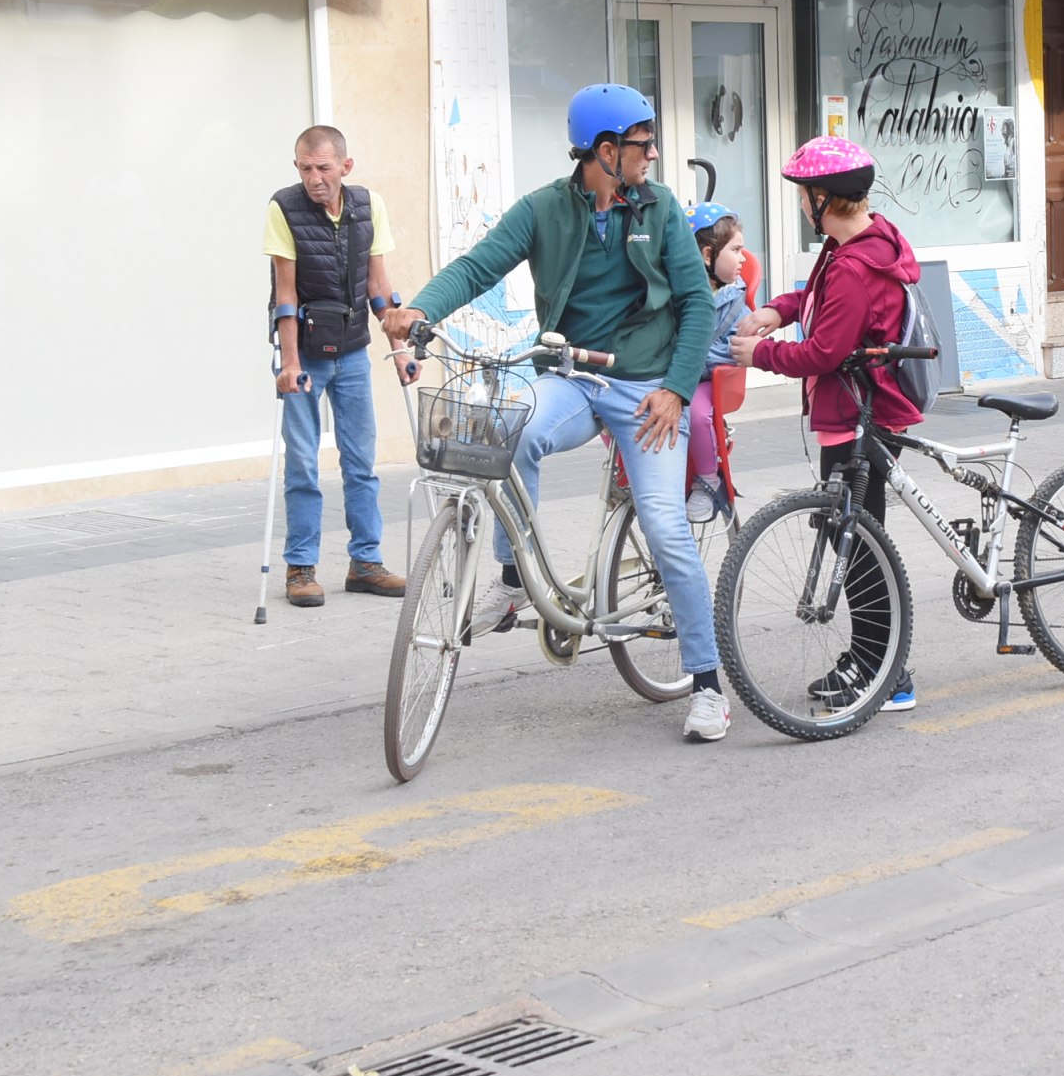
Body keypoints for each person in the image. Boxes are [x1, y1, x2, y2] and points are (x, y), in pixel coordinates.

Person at [383, 84, 730, 743]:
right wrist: (422, 308)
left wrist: (678, 389)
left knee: (663, 525)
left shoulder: (660, 213)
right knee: (512, 431)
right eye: (642, 143)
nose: (652, 154)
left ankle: (709, 683)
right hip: (571, 378)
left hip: (647, 390)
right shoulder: (544, 209)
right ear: (605, 151)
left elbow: (697, 304)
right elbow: (478, 266)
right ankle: (515, 580)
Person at [730, 136, 923, 715]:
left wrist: (757, 356)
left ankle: (884, 671)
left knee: (858, 547)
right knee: (855, 540)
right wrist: (778, 310)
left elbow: (821, 353)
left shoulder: (854, 268)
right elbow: (818, 300)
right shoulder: (856, 244)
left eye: (801, 196)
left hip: (859, 419)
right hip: (855, 414)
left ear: (822, 198)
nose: (798, 205)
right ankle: (874, 660)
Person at [264, 124, 407, 608]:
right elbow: (285, 294)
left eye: (323, 168)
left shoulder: (369, 206)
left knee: (361, 463)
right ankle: (300, 568)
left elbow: (379, 288)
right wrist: (288, 364)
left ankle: (365, 563)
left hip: (351, 353)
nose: (313, 178)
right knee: (303, 463)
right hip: (303, 354)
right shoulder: (283, 208)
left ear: (345, 167)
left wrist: (402, 350)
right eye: (305, 168)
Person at [685, 201, 751, 525]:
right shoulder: (679, 293)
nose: (743, 258)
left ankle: (708, 479)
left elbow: (738, 348)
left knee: (697, 414)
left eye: (741, 249)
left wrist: (695, 356)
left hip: (712, 381)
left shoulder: (736, 301)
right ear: (708, 256)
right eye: (736, 249)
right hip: (680, 376)